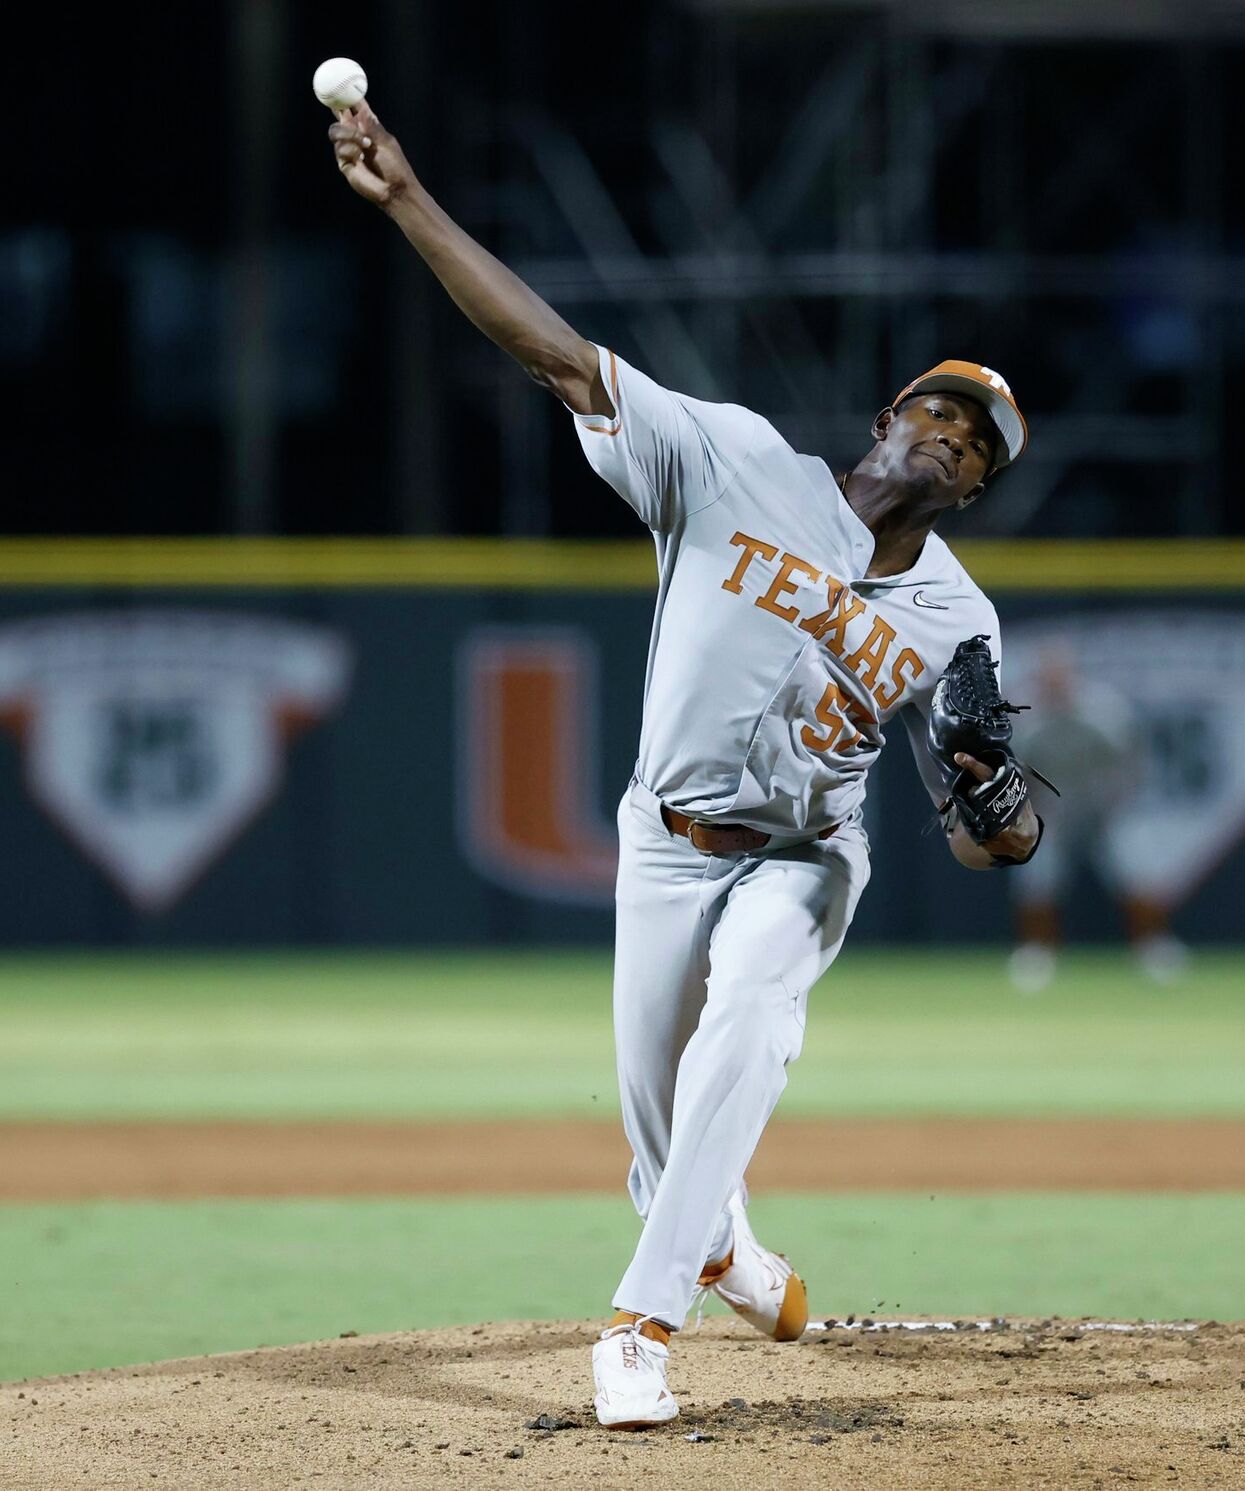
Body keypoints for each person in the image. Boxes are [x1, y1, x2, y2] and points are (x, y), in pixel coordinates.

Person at [329, 97, 1041, 1429]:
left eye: (980, 441)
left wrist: (999, 815)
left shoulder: (960, 619)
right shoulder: (730, 460)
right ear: (893, 413)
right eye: (943, 410)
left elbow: (987, 834)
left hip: (810, 853)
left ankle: (638, 1327)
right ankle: (722, 1252)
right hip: (664, 840)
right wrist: (413, 199)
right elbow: (555, 355)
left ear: (978, 487)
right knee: (659, 1154)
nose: (954, 433)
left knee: (757, 1010)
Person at [996, 646, 1152, 992]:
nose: (1054, 683)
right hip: (1053, 810)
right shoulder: (1026, 712)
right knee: (1038, 877)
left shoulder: (1101, 708)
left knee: (1133, 872)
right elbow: (1014, 768)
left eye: (1060, 675)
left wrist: (1118, 799)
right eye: (1048, 676)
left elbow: (1130, 758)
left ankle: (1152, 949)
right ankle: (1037, 954)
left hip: (1102, 808)